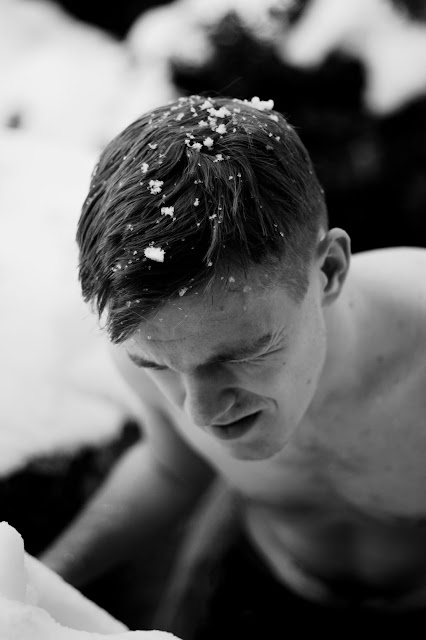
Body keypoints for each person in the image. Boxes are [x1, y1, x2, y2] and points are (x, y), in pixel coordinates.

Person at [41, 94, 426, 636]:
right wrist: (38, 584)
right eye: (157, 366)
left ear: (330, 270)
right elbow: (172, 468)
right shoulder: (150, 339)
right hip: (258, 576)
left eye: (241, 354)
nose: (200, 412)